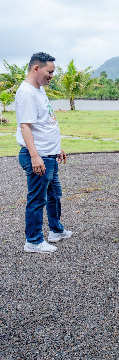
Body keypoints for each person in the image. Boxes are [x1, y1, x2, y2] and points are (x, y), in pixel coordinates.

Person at [16, 52, 72, 253]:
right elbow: (25, 127)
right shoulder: (27, 93)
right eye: (50, 71)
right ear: (36, 68)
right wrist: (34, 156)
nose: (52, 75)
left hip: (49, 154)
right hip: (39, 157)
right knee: (37, 199)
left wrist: (57, 148)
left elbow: (45, 123)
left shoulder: (39, 90)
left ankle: (56, 230)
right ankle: (33, 241)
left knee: (54, 194)